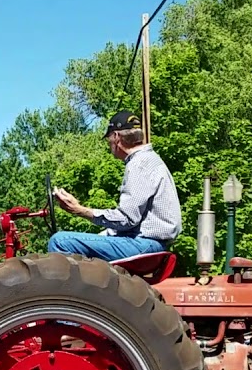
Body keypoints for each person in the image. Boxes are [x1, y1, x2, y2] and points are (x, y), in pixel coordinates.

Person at [47, 111, 182, 262]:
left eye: (109, 139)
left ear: (116, 137)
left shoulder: (139, 164)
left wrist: (79, 210)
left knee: (59, 241)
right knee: (77, 241)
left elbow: (127, 219)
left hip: (145, 245)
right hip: (151, 243)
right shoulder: (151, 160)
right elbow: (133, 222)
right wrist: (98, 238)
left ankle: (74, 286)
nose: (109, 144)